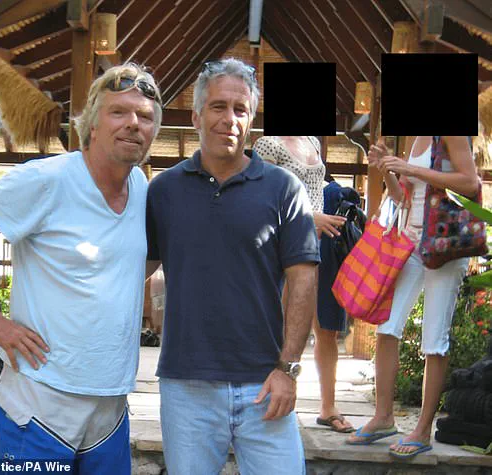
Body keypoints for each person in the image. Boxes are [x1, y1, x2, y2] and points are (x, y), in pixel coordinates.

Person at [0, 63, 162, 474]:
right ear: (92, 124)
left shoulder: (142, 191)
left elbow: (127, 268)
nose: (133, 123)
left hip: (110, 410)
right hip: (39, 406)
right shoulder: (46, 179)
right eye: (118, 112)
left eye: (145, 117)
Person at [146, 58, 320, 474]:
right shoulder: (163, 190)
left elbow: (304, 281)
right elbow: (135, 270)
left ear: (251, 120)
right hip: (187, 386)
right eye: (218, 106)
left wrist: (288, 369)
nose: (229, 118)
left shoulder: (283, 188)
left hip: (265, 382)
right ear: (196, 116)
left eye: (240, 109)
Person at [347, 136, 480, 458]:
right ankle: (383, 417)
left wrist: (409, 168)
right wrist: (387, 169)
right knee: (386, 327)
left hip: (444, 245)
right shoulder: (417, 137)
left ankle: (422, 429)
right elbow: (402, 198)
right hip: (410, 243)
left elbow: (469, 182)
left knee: (434, 340)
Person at [253, 136, 352, 433]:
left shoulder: (312, 141)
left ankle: (328, 407)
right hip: (283, 245)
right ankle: (275, 401)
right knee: (283, 327)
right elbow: (260, 201)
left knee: (327, 328)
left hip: (320, 242)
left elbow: (315, 188)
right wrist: (309, 218)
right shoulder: (267, 144)